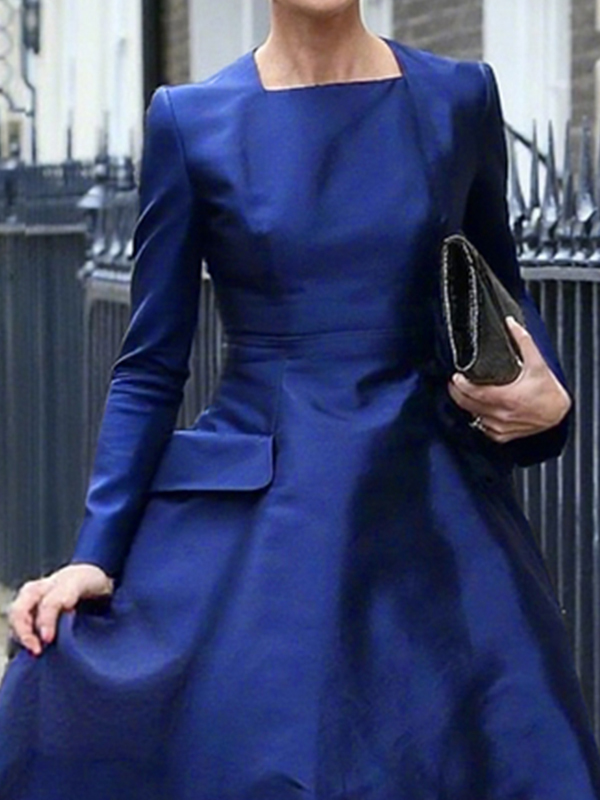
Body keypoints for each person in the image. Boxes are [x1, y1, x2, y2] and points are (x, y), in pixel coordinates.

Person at [1, 1, 599, 797]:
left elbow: (501, 295)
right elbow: (150, 364)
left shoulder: (460, 96)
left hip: (438, 517)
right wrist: (94, 553)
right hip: (268, 521)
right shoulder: (191, 121)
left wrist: (548, 403)